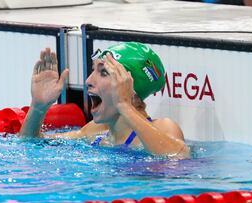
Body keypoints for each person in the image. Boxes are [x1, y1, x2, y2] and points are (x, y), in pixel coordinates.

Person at [19, 42, 190, 159]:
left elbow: (179, 155)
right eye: (93, 70)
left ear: (130, 86)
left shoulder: (164, 127)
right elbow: (32, 143)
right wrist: (38, 108)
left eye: (103, 73)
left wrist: (125, 105)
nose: (88, 81)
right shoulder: (98, 131)